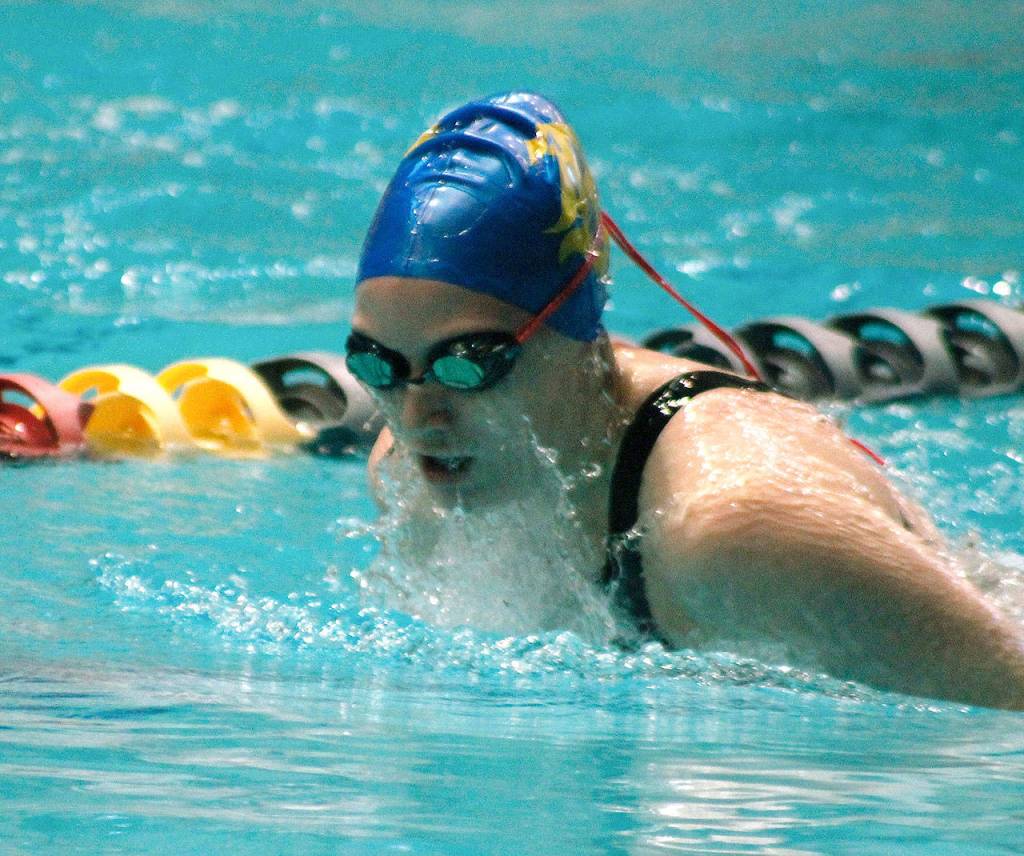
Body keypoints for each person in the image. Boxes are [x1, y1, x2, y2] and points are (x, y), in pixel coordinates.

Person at [346, 91, 1024, 708]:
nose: (417, 416)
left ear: (577, 330)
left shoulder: (742, 531)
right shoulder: (410, 474)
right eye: (376, 365)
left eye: (468, 364)